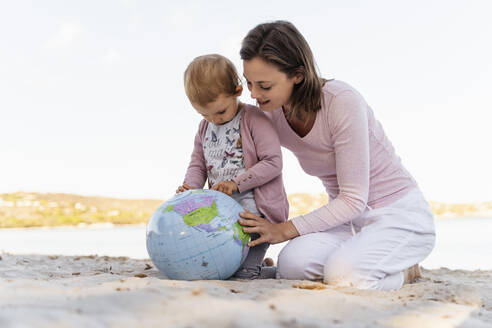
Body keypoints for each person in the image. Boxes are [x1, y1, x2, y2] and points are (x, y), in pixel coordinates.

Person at [237, 21, 436, 290]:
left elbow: (354, 199)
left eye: (264, 85)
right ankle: (363, 259)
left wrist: (283, 229)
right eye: (249, 83)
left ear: (297, 75)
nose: (254, 94)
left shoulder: (341, 101)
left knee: (345, 277)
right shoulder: (271, 113)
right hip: (346, 222)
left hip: (397, 214)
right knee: (292, 265)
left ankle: (404, 271)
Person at [177, 54, 289, 279]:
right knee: (223, 270)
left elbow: (273, 162)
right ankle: (258, 263)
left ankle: (265, 269)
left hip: (255, 211)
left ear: (237, 91)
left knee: (244, 275)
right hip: (224, 212)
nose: (214, 120)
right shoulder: (204, 127)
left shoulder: (254, 118)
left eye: (220, 112)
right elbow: (198, 162)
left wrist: (235, 184)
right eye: (204, 114)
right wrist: (191, 186)